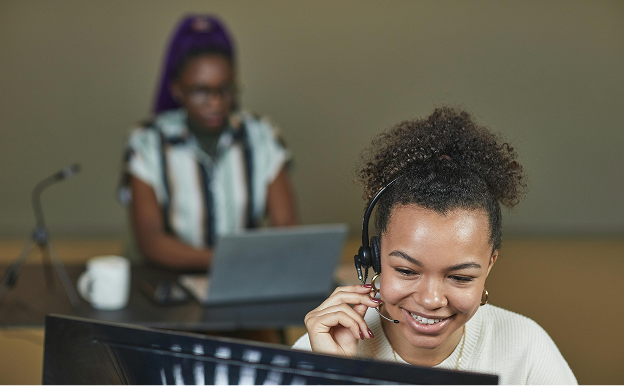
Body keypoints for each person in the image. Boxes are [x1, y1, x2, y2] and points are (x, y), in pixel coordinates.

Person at [292, 107, 577, 386]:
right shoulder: (321, 349)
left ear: (490, 264)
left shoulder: (526, 348)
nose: (430, 300)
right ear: (375, 258)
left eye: (460, 277)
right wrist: (335, 376)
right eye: (406, 271)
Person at [119, 15, 297, 270]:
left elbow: (287, 229)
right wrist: (227, 261)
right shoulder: (147, 142)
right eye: (201, 91)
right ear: (177, 89)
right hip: (170, 283)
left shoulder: (261, 136)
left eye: (224, 89)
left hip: (243, 282)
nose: (215, 102)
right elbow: (151, 241)